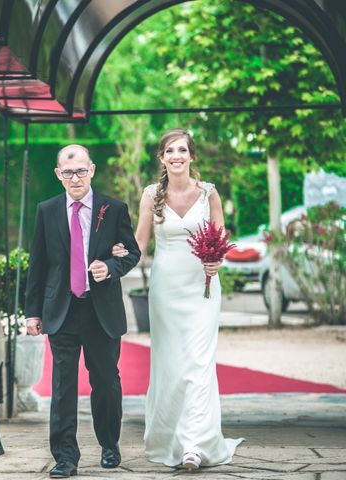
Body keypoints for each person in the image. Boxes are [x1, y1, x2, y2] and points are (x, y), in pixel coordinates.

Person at [114, 128, 243, 470]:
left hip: (203, 287)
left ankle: (195, 445)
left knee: (199, 363)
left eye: (182, 150)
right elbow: (139, 243)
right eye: (170, 150)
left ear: (191, 156)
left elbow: (221, 240)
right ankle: (169, 439)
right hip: (166, 289)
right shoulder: (150, 196)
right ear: (162, 158)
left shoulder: (209, 194)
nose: (176, 156)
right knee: (171, 364)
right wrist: (114, 256)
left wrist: (218, 261)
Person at [24, 144, 141, 478]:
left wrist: (111, 267)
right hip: (60, 309)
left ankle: (109, 444)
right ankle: (64, 457)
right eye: (67, 172)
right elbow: (39, 264)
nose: (74, 178)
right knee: (62, 385)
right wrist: (33, 312)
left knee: (105, 380)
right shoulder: (46, 210)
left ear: (92, 170)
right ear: (58, 175)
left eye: (80, 171)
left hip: (101, 310)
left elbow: (131, 252)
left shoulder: (113, 208)